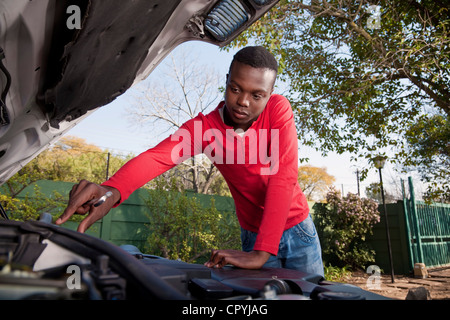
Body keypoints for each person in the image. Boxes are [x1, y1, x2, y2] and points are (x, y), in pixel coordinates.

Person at [56, 46, 324, 276]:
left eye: (257, 95)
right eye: (235, 89)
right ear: (227, 80)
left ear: (270, 93)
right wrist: (111, 190)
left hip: (298, 230)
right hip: (254, 236)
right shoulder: (204, 129)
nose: (243, 101)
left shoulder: (278, 110)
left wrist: (262, 252)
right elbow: (158, 158)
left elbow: (283, 177)